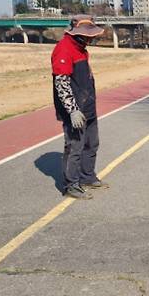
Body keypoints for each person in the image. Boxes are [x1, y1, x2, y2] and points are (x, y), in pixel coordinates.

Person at [51, 15, 108, 199]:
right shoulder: (64, 49)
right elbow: (61, 83)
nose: (90, 39)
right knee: (74, 146)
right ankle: (71, 185)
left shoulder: (81, 49)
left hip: (88, 106)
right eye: (87, 35)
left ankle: (87, 176)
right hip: (74, 110)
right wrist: (72, 109)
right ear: (77, 34)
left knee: (92, 143)